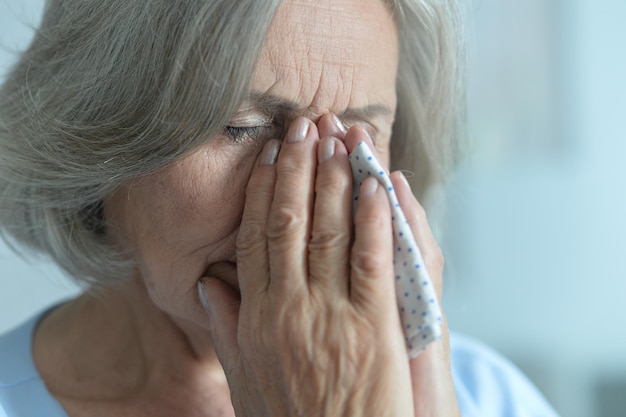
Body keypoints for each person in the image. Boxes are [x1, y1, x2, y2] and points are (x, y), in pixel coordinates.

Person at [0, 0, 560, 416]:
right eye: (242, 128)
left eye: (361, 137)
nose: (316, 190)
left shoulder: (491, 396)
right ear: (91, 134)